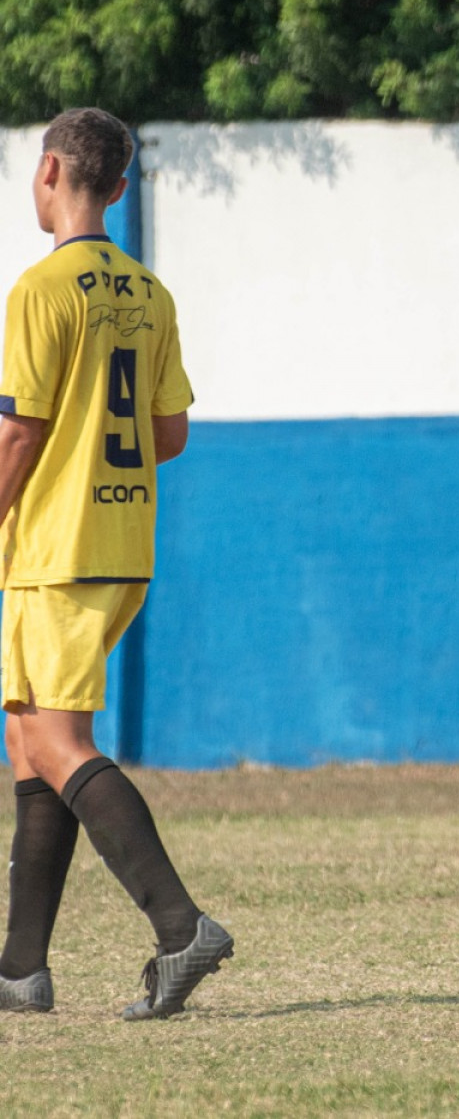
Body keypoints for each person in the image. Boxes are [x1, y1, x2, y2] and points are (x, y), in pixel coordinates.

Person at [0, 108, 231, 1020]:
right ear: (123, 186)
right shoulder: (149, 291)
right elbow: (167, 434)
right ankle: (21, 970)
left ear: (48, 170)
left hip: (54, 548)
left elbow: (16, 433)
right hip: (122, 542)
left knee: (58, 744)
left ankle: (181, 929)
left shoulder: (41, 289)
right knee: (29, 742)